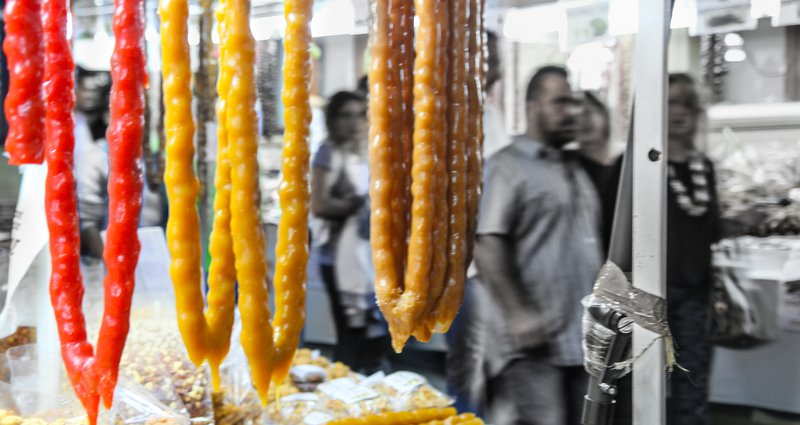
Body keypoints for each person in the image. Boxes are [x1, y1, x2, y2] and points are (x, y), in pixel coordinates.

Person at [474, 65, 603, 425]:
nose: (571, 112)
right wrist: (518, 313)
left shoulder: (572, 166)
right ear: (532, 108)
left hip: (580, 335)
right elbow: (486, 241)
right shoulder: (507, 166)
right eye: (560, 102)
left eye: (574, 103)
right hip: (533, 339)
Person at [445, 30, 505, 417]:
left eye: (496, 58)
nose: (494, 65)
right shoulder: (452, 112)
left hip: (493, 261)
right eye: (486, 55)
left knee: (489, 361)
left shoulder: (491, 113)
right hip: (466, 266)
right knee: (469, 361)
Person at [311, 91, 388, 373]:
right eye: (346, 116)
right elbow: (320, 204)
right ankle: (345, 384)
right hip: (338, 259)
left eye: (360, 115)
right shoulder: (329, 153)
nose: (354, 122)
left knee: (375, 333)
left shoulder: (368, 152)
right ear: (333, 120)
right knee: (351, 331)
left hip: (369, 258)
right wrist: (359, 204)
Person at [664, 73, 719, 425]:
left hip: (695, 296)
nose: (680, 112)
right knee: (641, 389)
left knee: (694, 385)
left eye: (687, 103)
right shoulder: (640, 165)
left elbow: (711, 229)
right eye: (671, 103)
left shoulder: (704, 167)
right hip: (649, 298)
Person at [577, 91, 621, 254]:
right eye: (577, 115)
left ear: (604, 116)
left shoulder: (622, 167)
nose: (583, 120)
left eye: (588, 112)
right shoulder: (568, 167)